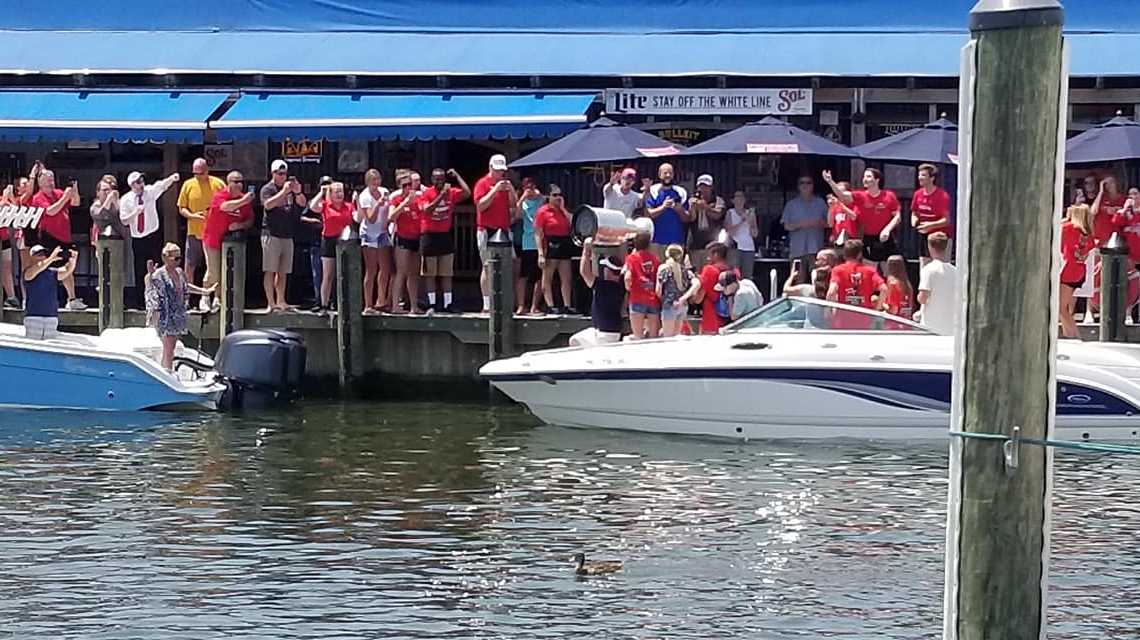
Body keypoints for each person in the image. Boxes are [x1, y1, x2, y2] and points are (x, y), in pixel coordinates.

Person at [144, 243, 215, 371]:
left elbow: (187, 286)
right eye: (175, 258)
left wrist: (205, 291)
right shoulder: (159, 274)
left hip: (178, 315)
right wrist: (150, 275)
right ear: (165, 258)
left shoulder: (180, 272)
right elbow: (150, 284)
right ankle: (167, 373)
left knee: (171, 346)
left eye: (180, 258)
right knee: (169, 347)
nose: (178, 261)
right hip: (165, 316)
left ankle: (165, 370)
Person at [120, 170, 180, 301]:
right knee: (140, 268)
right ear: (132, 185)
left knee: (156, 266)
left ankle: (158, 296)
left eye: (142, 181)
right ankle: (141, 299)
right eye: (138, 182)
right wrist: (135, 213)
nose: (141, 184)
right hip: (137, 238)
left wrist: (172, 178)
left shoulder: (150, 192)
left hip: (153, 235)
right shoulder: (126, 200)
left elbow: (162, 185)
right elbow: (124, 220)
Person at [823, 168, 901, 269]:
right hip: (868, 238)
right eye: (864, 177)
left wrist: (887, 229)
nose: (865, 179)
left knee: (890, 269)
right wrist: (830, 181)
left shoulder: (889, 195)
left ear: (877, 180)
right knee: (869, 269)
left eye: (868, 176)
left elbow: (897, 216)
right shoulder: (860, 196)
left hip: (887, 237)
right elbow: (842, 196)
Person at [29, 168, 83, 310]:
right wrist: (65, 198)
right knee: (49, 268)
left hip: (65, 237)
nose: (51, 182)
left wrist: (74, 190)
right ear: (40, 182)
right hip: (49, 237)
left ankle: (72, 298)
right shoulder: (38, 197)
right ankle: (49, 298)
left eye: (52, 179)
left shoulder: (58, 193)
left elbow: (76, 203)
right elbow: (51, 211)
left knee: (69, 266)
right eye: (48, 180)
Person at [418, 167, 471, 313]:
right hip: (429, 236)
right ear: (431, 180)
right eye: (436, 179)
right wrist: (441, 196)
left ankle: (448, 303)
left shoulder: (452, 193)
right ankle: (432, 304)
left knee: (447, 272)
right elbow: (427, 210)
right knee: (430, 273)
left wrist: (457, 176)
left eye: (441, 179)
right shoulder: (426, 194)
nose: (439, 181)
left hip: (444, 235)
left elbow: (467, 192)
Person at [202, 171, 256, 310]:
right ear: (229, 183)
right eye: (236, 182)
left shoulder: (245, 199)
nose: (239, 185)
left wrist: (240, 225)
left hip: (230, 242)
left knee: (225, 271)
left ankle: (218, 299)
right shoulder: (220, 195)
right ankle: (205, 296)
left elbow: (250, 220)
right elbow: (225, 207)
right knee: (214, 271)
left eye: (241, 182)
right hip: (213, 239)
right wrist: (244, 201)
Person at [177, 158, 225, 310]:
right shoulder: (188, 184)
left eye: (201, 173)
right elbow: (181, 207)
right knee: (189, 267)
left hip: (213, 233)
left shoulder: (217, 184)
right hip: (194, 232)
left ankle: (215, 297)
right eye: (195, 173)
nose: (198, 176)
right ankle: (187, 300)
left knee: (213, 268)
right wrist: (192, 216)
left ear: (207, 170)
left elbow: (225, 206)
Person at [473, 154, 519, 312]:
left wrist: (511, 191)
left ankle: (504, 301)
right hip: (487, 230)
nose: (501, 174)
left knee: (508, 265)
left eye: (503, 171)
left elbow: (514, 207)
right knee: (487, 266)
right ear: (490, 168)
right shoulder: (482, 184)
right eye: (498, 170)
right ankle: (486, 304)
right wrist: (495, 191)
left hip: (504, 229)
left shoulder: (506, 185)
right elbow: (480, 206)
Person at [260, 159, 307, 312]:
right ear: (273, 174)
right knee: (270, 269)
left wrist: (297, 191)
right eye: (279, 174)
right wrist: (283, 192)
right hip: (271, 234)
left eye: (284, 174)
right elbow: (268, 204)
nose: (282, 177)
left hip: (287, 234)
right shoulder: (267, 189)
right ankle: (270, 302)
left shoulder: (290, 190)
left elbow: (302, 204)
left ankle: (281, 300)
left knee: (283, 270)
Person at [308, 181, 356, 314]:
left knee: (343, 274)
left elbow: (357, 218)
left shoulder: (349, 206)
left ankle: (341, 303)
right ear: (331, 194)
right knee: (328, 274)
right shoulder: (325, 205)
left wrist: (358, 204)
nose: (340, 194)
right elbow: (312, 207)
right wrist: (321, 193)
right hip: (328, 241)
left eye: (341, 191)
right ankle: (324, 304)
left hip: (344, 242)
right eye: (336, 192)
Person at [89, 177, 134, 306]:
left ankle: (121, 301)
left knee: (123, 270)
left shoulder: (118, 204)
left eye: (111, 190)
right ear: (98, 192)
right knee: (105, 272)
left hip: (122, 242)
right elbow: (101, 215)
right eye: (104, 190)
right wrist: (109, 200)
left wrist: (117, 202)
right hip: (104, 243)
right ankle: (105, 301)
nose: (108, 193)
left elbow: (125, 218)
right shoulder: (95, 206)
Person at [573, 238, 624, 346]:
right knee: (577, 340)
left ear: (608, 270)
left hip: (605, 334)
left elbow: (584, 272)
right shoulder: (621, 285)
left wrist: (586, 250)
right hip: (608, 331)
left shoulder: (603, 286)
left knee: (574, 342)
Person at [534, 184, 575, 314]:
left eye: (560, 195)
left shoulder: (563, 211)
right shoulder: (543, 211)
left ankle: (567, 305)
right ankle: (550, 305)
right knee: (547, 277)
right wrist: (540, 253)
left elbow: (573, 222)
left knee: (566, 277)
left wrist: (563, 209)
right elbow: (538, 233)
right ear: (548, 197)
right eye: (555, 195)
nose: (558, 198)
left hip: (564, 243)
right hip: (550, 243)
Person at [22, 244, 76, 339]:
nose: (42, 256)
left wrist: (73, 260)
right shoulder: (28, 272)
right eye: (38, 254)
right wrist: (51, 258)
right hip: (34, 317)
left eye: (43, 254)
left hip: (51, 318)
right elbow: (38, 268)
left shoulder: (52, 272)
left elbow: (67, 271)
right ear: (31, 258)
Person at [388, 174, 424, 314]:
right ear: (399, 186)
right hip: (402, 238)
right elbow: (391, 217)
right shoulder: (396, 199)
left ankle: (414, 305)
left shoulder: (419, 198)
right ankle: (396, 305)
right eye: (404, 185)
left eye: (410, 184)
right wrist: (404, 204)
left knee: (414, 273)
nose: (408, 188)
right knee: (401, 271)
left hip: (416, 237)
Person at [356, 169, 391, 314]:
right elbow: (370, 218)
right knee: (371, 270)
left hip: (382, 232)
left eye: (378, 179)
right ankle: (368, 304)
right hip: (369, 233)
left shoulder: (384, 191)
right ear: (368, 182)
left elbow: (389, 210)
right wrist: (378, 203)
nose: (377, 183)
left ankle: (381, 301)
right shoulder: (365, 196)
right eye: (373, 180)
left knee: (385, 268)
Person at [782, 175, 829, 283]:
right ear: (798, 186)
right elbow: (786, 226)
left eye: (808, 183)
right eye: (802, 183)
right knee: (798, 281)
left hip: (816, 250)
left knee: (818, 281)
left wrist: (818, 223)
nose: (805, 185)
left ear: (813, 186)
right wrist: (801, 224)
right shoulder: (791, 204)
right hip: (797, 250)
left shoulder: (820, 203)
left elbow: (830, 223)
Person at [1060, 204, 1093, 338]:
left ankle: (1074, 337)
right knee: (1064, 308)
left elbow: (1057, 226)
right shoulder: (1087, 233)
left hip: (1068, 271)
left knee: (1060, 308)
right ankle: (1070, 335)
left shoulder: (1069, 228)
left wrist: (1064, 219)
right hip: (1079, 271)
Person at [643, 163, 690, 256]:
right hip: (656, 241)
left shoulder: (681, 192)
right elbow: (648, 214)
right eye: (665, 173)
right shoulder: (653, 191)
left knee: (675, 269)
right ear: (659, 174)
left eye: (670, 173)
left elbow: (687, 218)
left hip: (676, 240)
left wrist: (679, 209)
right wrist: (663, 207)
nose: (668, 175)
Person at [917, 231, 959, 336]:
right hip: (951, 325)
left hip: (931, 324)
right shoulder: (955, 271)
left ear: (929, 247)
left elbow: (923, 298)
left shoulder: (928, 270)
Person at [911, 164, 953, 267]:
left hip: (940, 238)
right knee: (924, 266)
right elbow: (914, 212)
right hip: (923, 235)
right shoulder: (918, 194)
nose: (919, 177)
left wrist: (930, 225)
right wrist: (914, 221)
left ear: (932, 178)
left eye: (923, 175)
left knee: (941, 267)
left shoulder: (942, 195)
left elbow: (946, 220)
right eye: (919, 175)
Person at [827, 238, 886, 309]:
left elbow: (831, 292)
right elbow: (884, 289)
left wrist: (829, 310)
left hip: (843, 315)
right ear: (860, 255)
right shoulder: (870, 271)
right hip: (865, 316)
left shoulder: (837, 270)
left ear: (844, 254)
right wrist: (877, 308)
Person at [515, 178, 544, 315]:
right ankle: (521, 305)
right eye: (527, 187)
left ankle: (534, 306)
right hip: (527, 242)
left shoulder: (541, 201)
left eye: (532, 186)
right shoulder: (523, 202)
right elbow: (517, 215)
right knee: (523, 276)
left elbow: (549, 201)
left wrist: (539, 195)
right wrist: (522, 198)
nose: (530, 189)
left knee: (539, 276)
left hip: (541, 243)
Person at [624, 231, 661, 339]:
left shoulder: (631, 258)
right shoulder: (655, 259)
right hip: (653, 299)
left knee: (638, 338)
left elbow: (627, 277)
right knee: (653, 338)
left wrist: (629, 289)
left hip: (637, 298)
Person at [657, 243, 697, 337]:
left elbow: (658, 291)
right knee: (676, 336)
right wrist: (684, 298)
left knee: (668, 337)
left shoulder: (664, 268)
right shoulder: (685, 270)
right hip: (682, 306)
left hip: (669, 304)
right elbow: (697, 283)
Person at [686, 174, 726, 268]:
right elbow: (691, 219)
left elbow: (717, 215)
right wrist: (692, 208)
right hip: (695, 244)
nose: (703, 189)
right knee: (696, 272)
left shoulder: (718, 200)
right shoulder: (693, 200)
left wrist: (705, 207)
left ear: (711, 187)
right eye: (701, 186)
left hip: (712, 245)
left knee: (711, 271)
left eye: (706, 187)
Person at [696, 242, 735, 335]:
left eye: (708, 254)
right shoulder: (734, 271)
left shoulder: (709, 270)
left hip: (711, 321)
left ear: (716, 254)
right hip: (730, 322)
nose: (707, 258)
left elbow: (698, 299)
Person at [724, 190, 758, 280]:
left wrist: (751, 223)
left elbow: (755, 234)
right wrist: (742, 221)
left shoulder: (750, 213)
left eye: (742, 197)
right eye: (737, 197)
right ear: (733, 200)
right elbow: (730, 231)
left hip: (748, 248)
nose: (740, 199)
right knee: (734, 275)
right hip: (735, 248)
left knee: (747, 277)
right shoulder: (730, 213)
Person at [1091, 175, 1126, 248]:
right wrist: (1100, 191)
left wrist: (1117, 210)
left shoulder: (1123, 199)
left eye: (1111, 182)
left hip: (1117, 237)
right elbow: (1093, 212)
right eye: (1106, 183)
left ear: (1117, 183)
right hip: (1101, 237)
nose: (1109, 185)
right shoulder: (1101, 198)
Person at [881, 255, 915, 320]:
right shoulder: (907, 284)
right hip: (906, 320)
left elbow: (893, 310)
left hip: (895, 322)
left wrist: (882, 303)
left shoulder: (893, 284)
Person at [827, 181, 859, 245]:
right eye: (837, 192)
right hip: (837, 239)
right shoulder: (836, 206)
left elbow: (853, 216)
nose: (839, 194)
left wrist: (840, 204)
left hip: (850, 239)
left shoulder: (855, 205)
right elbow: (830, 224)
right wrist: (831, 207)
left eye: (841, 192)